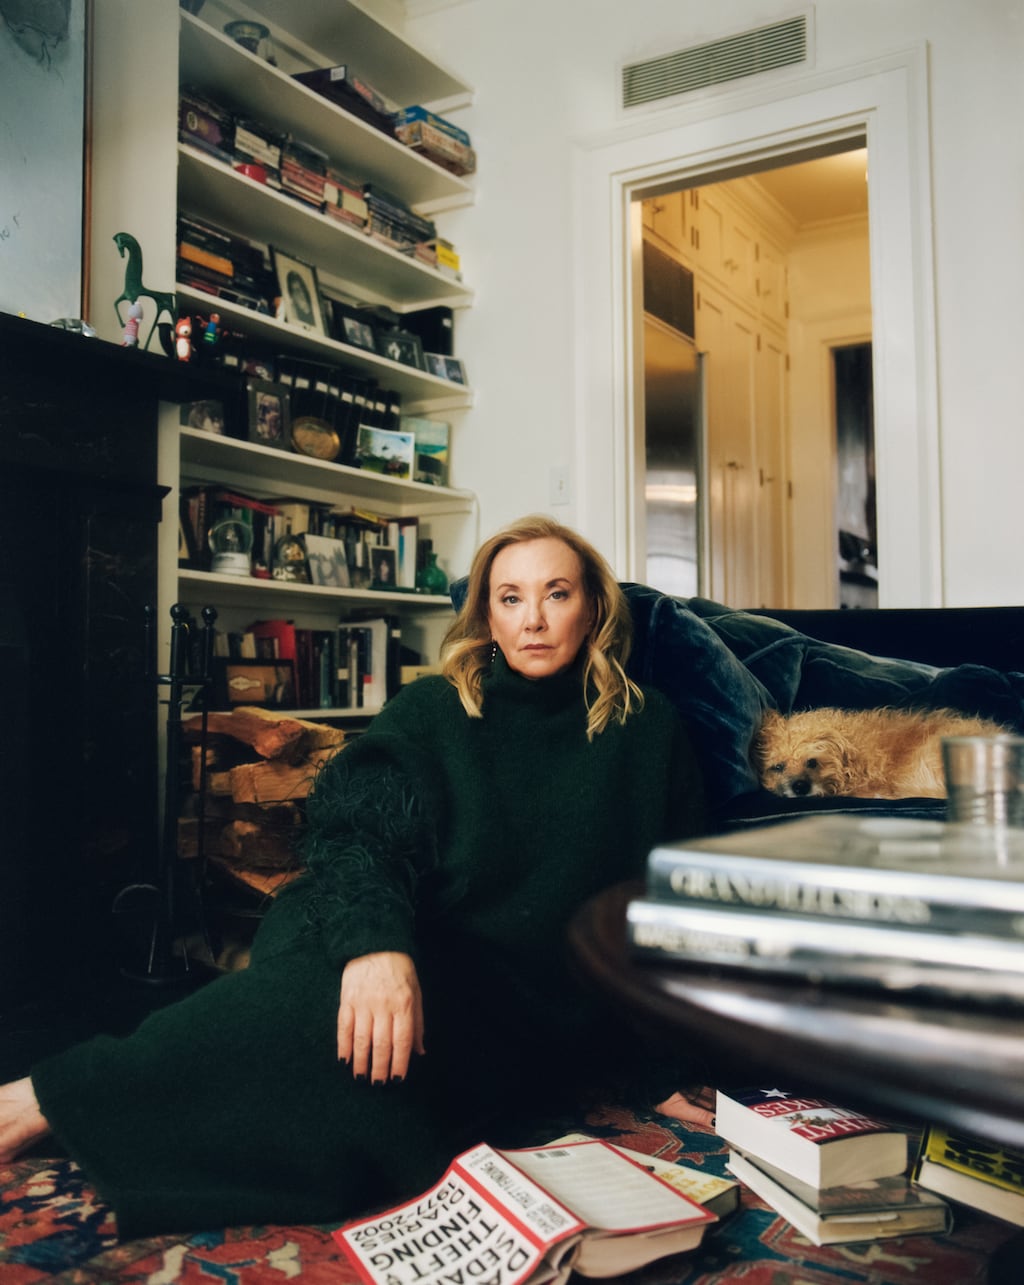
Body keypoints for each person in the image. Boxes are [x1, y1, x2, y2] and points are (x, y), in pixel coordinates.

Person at [0, 515, 709, 1238]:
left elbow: (675, 908)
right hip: (372, 920)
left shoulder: (650, 731)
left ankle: (111, 1112)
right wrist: (377, 947)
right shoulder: (435, 708)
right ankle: (45, 1098)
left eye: (556, 593)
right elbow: (355, 833)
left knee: (372, 1091)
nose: (533, 619)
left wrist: (661, 1067)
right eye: (510, 597)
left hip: (496, 994)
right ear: (487, 616)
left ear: (593, 607)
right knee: (326, 999)